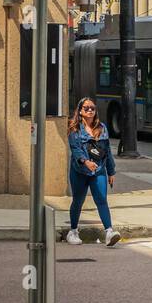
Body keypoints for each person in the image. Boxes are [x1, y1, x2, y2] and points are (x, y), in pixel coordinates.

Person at [67, 97, 120, 246]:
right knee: (78, 200)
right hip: (80, 171)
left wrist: (111, 171)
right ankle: (73, 231)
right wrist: (85, 162)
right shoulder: (74, 128)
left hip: (99, 170)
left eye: (92, 108)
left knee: (101, 199)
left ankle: (109, 232)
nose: (90, 110)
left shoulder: (102, 127)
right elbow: (76, 150)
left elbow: (107, 151)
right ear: (80, 111)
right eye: (86, 108)